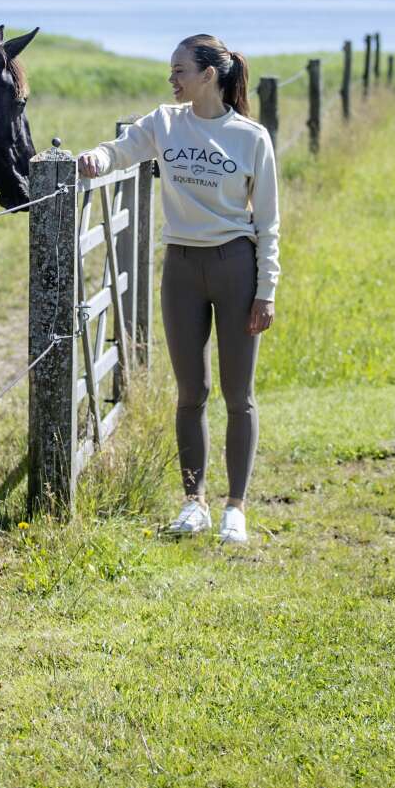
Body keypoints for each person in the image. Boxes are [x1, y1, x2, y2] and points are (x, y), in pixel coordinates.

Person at [78, 33, 279, 544]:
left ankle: (236, 507)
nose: (172, 80)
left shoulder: (251, 138)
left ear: (209, 74)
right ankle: (195, 503)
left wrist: (266, 290)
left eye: (180, 71)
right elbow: (121, 151)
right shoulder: (164, 123)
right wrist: (96, 160)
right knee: (191, 393)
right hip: (182, 269)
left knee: (239, 395)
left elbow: (269, 224)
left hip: (236, 266)